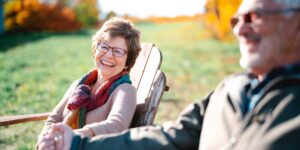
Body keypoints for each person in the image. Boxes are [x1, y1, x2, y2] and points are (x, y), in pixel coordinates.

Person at [38, 0, 300, 149]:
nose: (239, 30)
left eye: (255, 17)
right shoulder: (228, 90)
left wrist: (81, 138)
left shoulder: (124, 89)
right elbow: (168, 138)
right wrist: (69, 142)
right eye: (236, 20)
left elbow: (116, 124)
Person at [36, 17, 141, 148]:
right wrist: (47, 139)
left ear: (128, 61)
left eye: (118, 51)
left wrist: (72, 137)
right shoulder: (79, 85)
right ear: (95, 49)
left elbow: (117, 125)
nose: (108, 55)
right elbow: (54, 118)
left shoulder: (125, 90)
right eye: (104, 46)